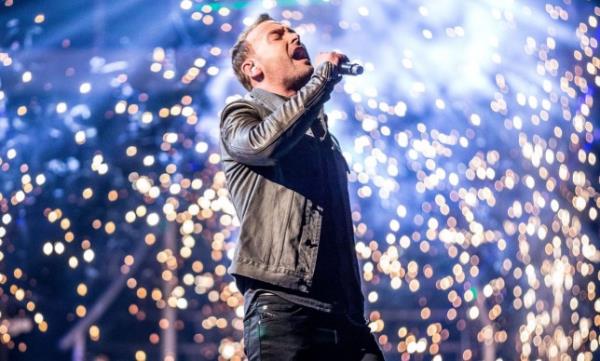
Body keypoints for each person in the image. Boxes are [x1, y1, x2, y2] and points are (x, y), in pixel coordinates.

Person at [219, 12, 385, 361]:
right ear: (253, 69)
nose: (293, 36)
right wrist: (322, 81)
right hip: (285, 312)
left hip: (347, 318)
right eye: (277, 36)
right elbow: (264, 145)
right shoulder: (241, 113)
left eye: (292, 30)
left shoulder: (322, 135)